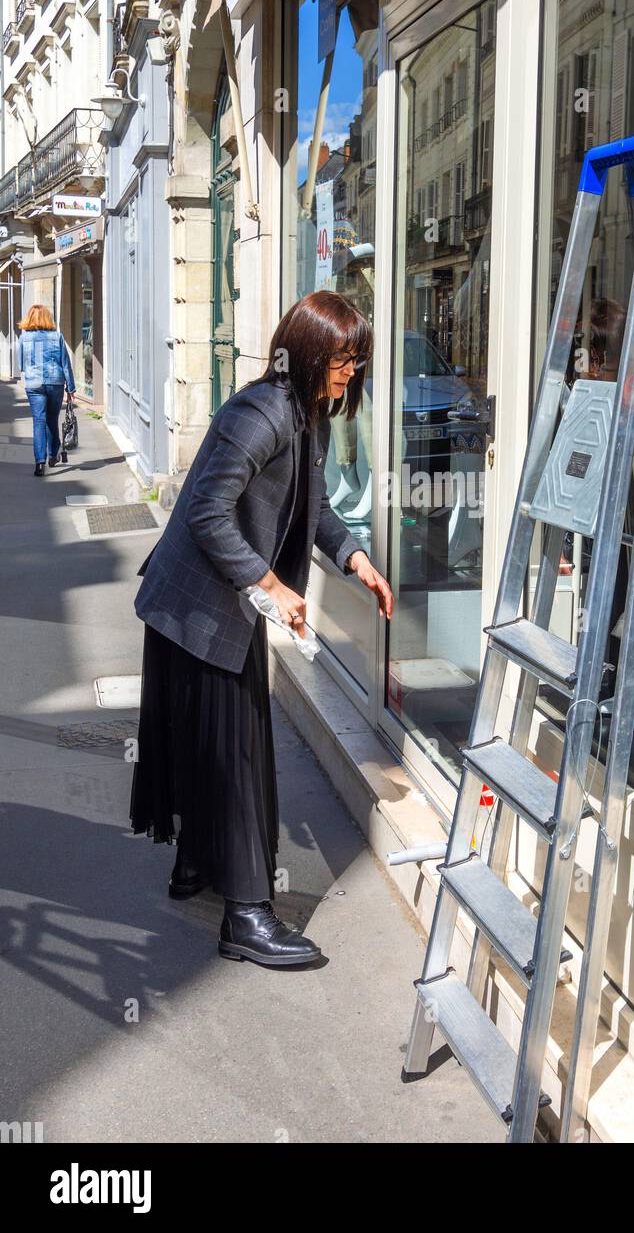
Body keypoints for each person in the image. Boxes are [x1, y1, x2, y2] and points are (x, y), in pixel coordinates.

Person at [129, 290, 393, 968]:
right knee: (239, 757)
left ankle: (198, 869)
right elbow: (207, 513)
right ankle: (247, 914)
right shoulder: (262, 412)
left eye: (358, 359)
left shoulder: (309, 417)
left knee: (213, 747)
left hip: (221, 606)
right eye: (343, 357)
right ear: (308, 353)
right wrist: (271, 585)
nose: (352, 371)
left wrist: (355, 557)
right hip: (197, 607)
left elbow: (317, 508)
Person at [17, 305, 76, 476]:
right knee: (52, 419)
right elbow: (65, 364)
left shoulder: (24, 338)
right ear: (47, 318)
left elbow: (21, 365)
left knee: (38, 421)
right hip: (55, 383)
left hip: (34, 384)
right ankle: (53, 455)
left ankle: (39, 463)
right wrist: (71, 388)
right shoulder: (57, 336)